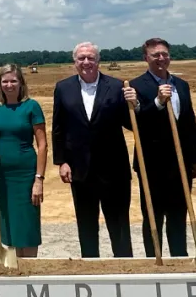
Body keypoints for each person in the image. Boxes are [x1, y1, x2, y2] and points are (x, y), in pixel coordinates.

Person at [51, 43, 137, 258]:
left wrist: (134, 104)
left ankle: (124, 266)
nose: (86, 62)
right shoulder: (63, 88)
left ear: (98, 61)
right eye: (81, 58)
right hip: (80, 170)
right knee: (86, 224)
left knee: (119, 225)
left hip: (113, 169)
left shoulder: (117, 86)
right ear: (75, 62)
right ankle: (90, 266)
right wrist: (62, 162)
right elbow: (58, 127)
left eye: (90, 58)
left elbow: (130, 124)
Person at [128, 38, 196, 258]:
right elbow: (138, 123)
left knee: (179, 215)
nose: (161, 58)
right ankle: (155, 259)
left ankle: (180, 257)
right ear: (146, 58)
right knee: (153, 216)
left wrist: (194, 158)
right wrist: (158, 102)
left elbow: (189, 123)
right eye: (155, 55)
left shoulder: (181, 85)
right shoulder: (135, 86)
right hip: (151, 163)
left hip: (181, 163)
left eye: (164, 54)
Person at [0, 64, 47, 257]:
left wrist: (38, 179)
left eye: (13, 80)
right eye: (5, 81)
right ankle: (15, 266)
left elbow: (42, 145)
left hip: (26, 175)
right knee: (9, 223)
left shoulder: (31, 106)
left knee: (28, 224)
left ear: (21, 82)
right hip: (3, 176)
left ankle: (30, 266)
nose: (9, 85)